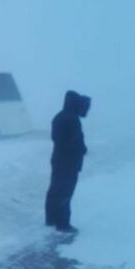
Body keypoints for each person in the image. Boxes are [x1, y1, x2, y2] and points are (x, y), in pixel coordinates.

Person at [45, 90, 91, 233]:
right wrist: (82, 149)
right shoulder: (72, 120)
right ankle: (63, 223)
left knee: (55, 190)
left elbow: (58, 139)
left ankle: (51, 218)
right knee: (65, 192)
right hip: (68, 163)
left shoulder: (60, 117)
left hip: (59, 160)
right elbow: (71, 143)